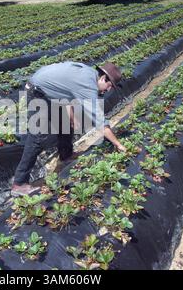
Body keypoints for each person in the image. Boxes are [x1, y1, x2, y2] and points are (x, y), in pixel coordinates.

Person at [11, 61, 125, 196]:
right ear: (102, 78)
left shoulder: (89, 74)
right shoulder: (87, 85)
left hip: (49, 90)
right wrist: (118, 144)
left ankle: (66, 155)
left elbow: (66, 91)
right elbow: (99, 122)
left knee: (65, 123)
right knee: (38, 137)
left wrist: (71, 117)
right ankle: (19, 183)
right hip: (38, 91)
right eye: (109, 85)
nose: (108, 90)